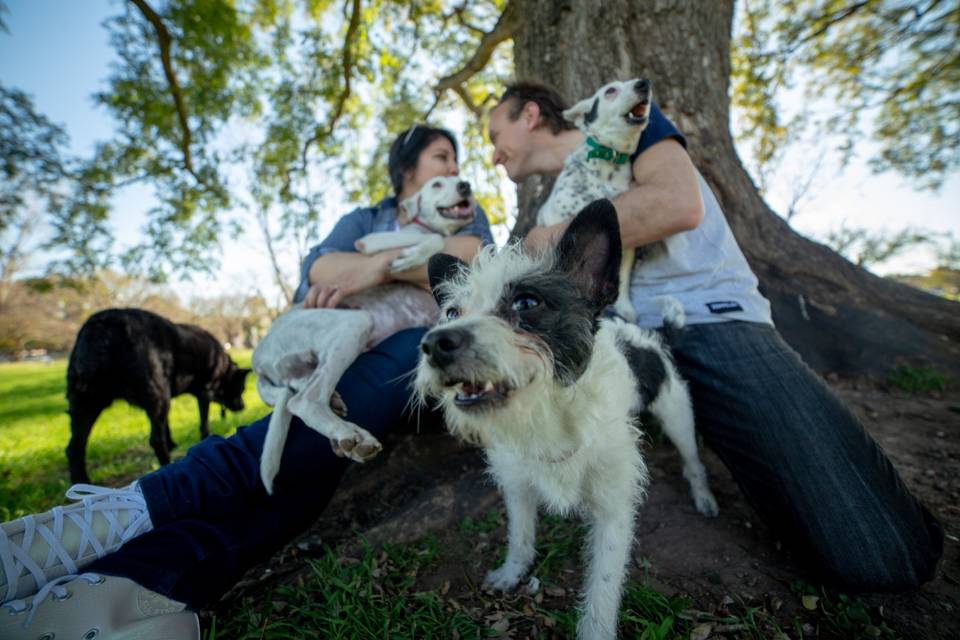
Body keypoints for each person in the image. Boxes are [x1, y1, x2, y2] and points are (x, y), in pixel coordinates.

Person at [0, 124, 493, 638]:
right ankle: (117, 594)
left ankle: (109, 519)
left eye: (455, 163)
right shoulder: (365, 218)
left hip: (433, 375)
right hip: (357, 372)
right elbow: (319, 272)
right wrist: (398, 264)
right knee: (306, 480)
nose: (455, 173)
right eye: (442, 159)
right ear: (406, 173)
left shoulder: (466, 213)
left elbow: (470, 262)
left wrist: (371, 269)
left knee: (403, 344)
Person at [486, 81, 943, 589]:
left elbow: (677, 204)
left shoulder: (626, 122)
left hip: (709, 318)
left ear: (528, 115)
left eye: (494, 132)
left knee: (882, 555)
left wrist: (549, 240)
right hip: (614, 342)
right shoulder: (551, 201)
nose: (492, 153)